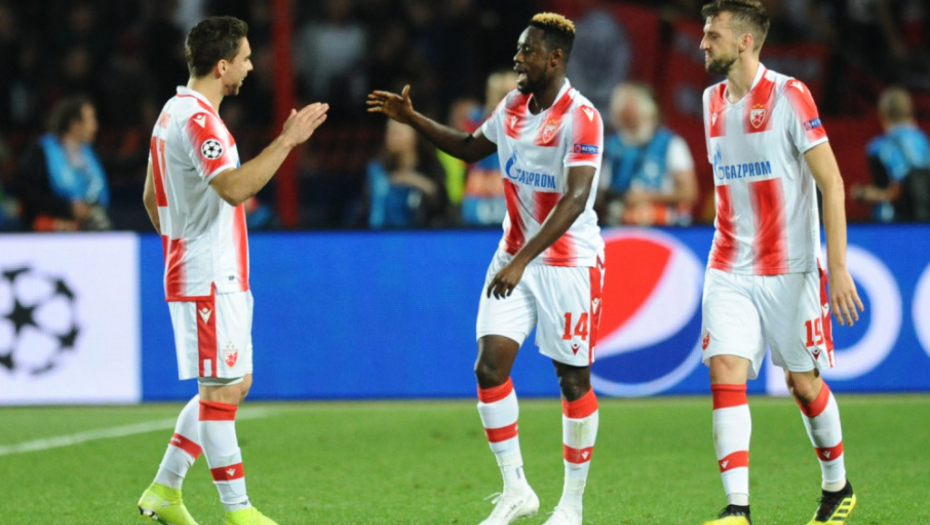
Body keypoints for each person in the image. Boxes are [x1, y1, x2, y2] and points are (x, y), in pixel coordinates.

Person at [368, 12, 604, 525]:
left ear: (555, 59)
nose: (517, 59)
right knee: (489, 368)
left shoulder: (581, 116)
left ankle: (572, 505)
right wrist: (413, 119)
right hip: (514, 256)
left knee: (572, 380)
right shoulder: (513, 104)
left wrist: (523, 261)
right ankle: (516, 489)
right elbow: (470, 148)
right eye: (518, 49)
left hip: (567, 263)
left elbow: (575, 198)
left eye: (527, 51)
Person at [138, 16, 328, 525]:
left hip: (213, 273)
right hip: (208, 277)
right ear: (222, 67)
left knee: (234, 382)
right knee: (220, 392)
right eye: (244, 58)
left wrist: (181, 239)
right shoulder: (200, 121)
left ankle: (165, 489)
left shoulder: (171, 112)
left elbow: (152, 197)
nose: (250, 66)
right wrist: (287, 141)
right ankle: (238, 511)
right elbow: (235, 188)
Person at [696, 2, 866, 524]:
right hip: (728, 264)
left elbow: (832, 182)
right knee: (726, 369)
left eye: (713, 34)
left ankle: (837, 486)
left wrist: (837, 267)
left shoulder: (789, 96)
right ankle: (737, 509)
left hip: (790, 267)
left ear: (744, 41)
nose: (703, 43)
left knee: (802, 383)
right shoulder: (709, 101)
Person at [598, 82, 698, 226]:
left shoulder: (671, 144)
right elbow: (601, 190)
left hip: (663, 226)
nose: (627, 121)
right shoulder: (611, 146)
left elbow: (689, 193)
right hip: (619, 225)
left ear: (648, 113)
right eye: (623, 116)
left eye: (632, 116)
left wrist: (647, 197)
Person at [16, 95, 112, 231]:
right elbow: (30, 195)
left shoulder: (90, 153)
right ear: (75, 125)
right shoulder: (41, 152)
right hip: (50, 230)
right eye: (91, 120)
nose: (96, 126)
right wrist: (68, 207)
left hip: (88, 227)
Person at [851, 87, 930, 222]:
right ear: (911, 111)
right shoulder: (923, 140)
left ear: (882, 114)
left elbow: (896, 192)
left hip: (892, 222)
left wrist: (863, 194)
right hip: (925, 221)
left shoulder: (878, 147)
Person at [459, 70, 518, 227]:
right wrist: (491, 113)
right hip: (476, 211)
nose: (506, 100)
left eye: (511, 94)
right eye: (501, 95)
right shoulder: (475, 121)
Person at [367, 118, 447, 228]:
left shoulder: (430, 165)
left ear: (413, 135)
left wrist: (413, 180)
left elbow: (442, 203)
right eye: (389, 132)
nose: (391, 137)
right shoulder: (377, 171)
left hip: (422, 233)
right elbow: (367, 210)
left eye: (396, 132)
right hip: (383, 233)